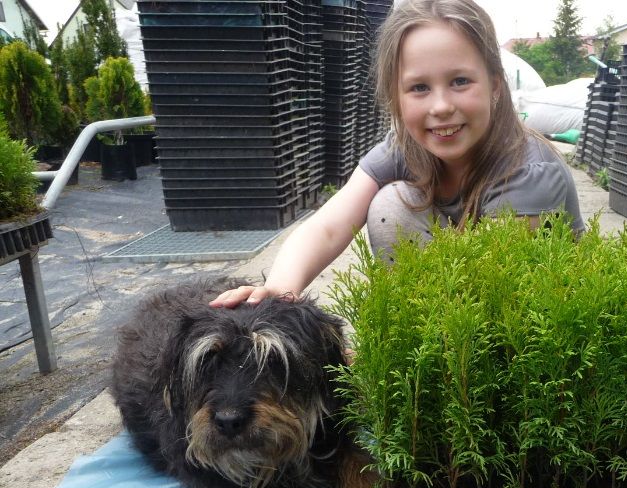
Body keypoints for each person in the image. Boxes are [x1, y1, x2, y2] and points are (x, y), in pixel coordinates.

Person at [210, 0, 583, 309]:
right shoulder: (406, 147)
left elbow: (496, 288)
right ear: (396, 98)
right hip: (451, 296)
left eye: (460, 82)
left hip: (528, 319)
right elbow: (328, 226)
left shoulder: (527, 170)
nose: (440, 106)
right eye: (419, 87)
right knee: (390, 203)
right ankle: (412, 328)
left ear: (495, 86)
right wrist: (278, 293)